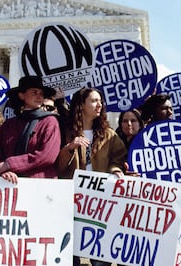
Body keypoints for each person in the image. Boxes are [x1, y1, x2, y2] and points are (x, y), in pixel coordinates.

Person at [56, 87, 127, 266]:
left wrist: (115, 170)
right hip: (71, 200)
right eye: (94, 101)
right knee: (69, 252)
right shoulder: (64, 132)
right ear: (82, 105)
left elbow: (118, 159)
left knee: (100, 254)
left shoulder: (109, 135)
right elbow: (55, 165)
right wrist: (69, 148)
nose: (99, 105)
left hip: (99, 202)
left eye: (100, 101)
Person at [0, 76, 61, 184]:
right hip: (9, 184)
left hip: (40, 185)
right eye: (34, 92)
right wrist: (2, 171)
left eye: (41, 94)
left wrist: (10, 164)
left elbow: (47, 156)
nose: (39, 96)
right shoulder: (9, 124)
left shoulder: (49, 121)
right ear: (21, 95)